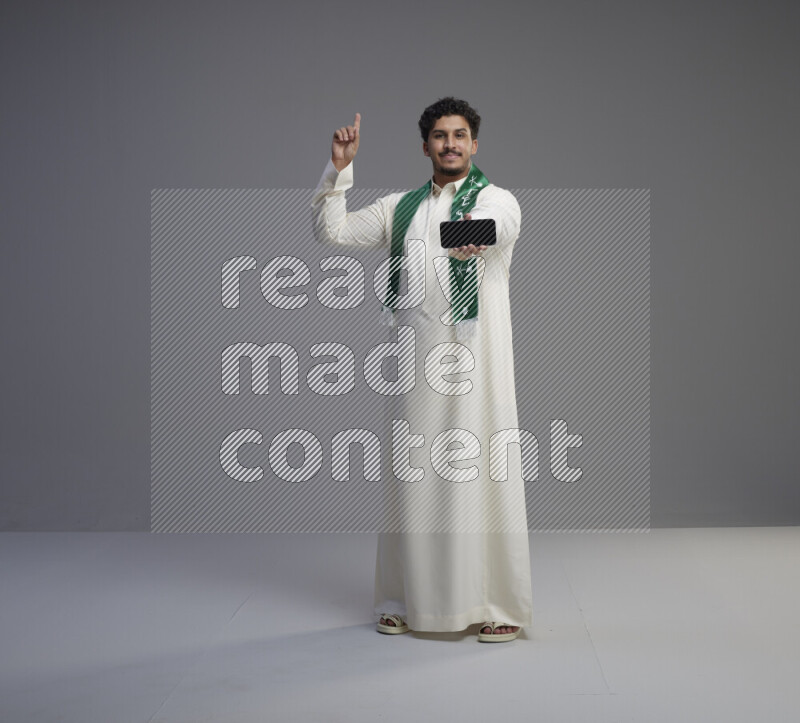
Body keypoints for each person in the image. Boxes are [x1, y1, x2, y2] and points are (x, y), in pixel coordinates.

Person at [311, 98, 533, 642]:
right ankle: (404, 600)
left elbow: (494, 229)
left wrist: (467, 235)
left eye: (460, 135)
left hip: (477, 366)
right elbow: (329, 231)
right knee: (411, 479)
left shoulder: (498, 200)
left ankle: (497, 605)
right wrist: (339, 170)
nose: (450, 144)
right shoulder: (398, 208)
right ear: (426, 145)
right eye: (439, 135)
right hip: (414, 366)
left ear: (474, 144)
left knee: (482, 477)